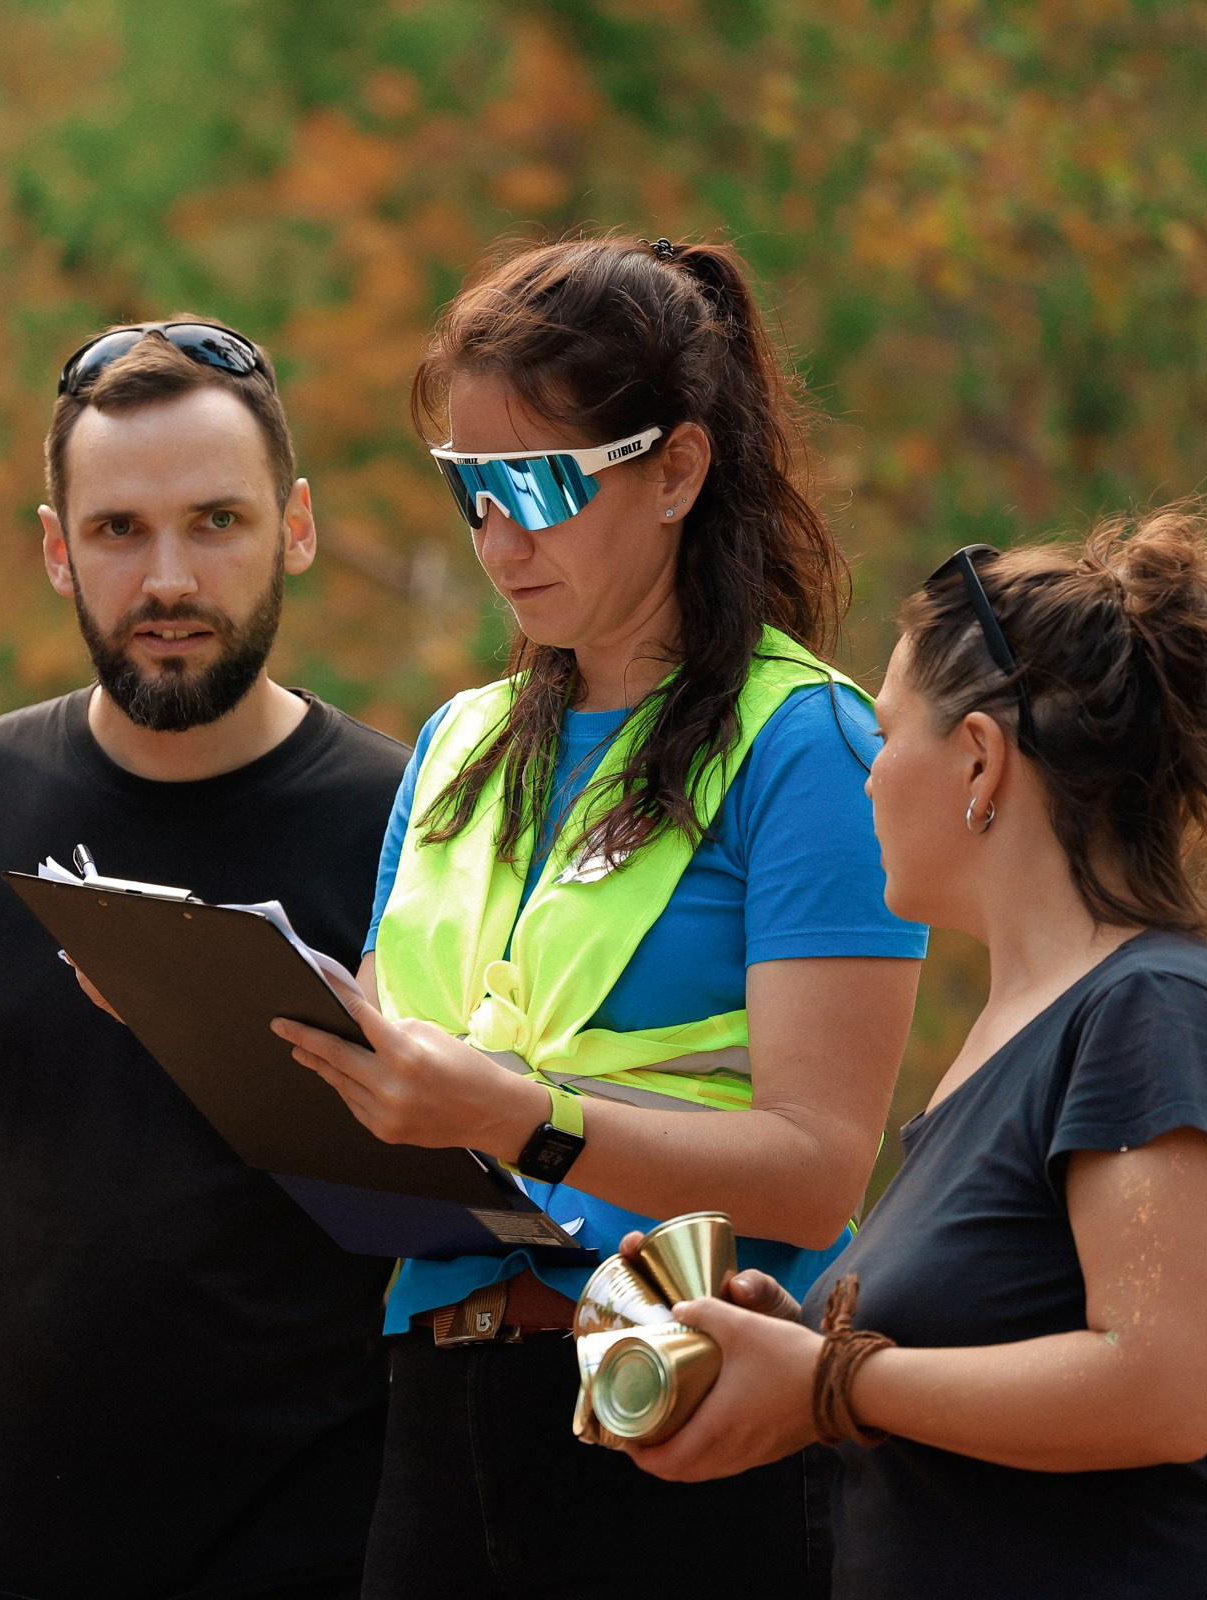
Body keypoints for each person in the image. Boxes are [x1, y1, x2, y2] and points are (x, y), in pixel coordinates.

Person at [271, 236, 926, 1595]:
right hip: (438, 1407)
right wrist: (227, 1022)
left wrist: (523, 1118)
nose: (499, 541)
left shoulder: (806, 746)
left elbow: (818, 1168)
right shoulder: (457, 743)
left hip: (684, 1409)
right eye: (469, 491)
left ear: (678, 468)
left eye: (539, 484)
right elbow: (403, 1090)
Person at [0, 321, 409, 1600]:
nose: (168, 577)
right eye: (120, 530)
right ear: (57, 550)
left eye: (216, 522)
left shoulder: (413, 824)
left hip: (328, 1557)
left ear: (295, 527)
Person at [628, 505, 1207, 1598]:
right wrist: (790, 1341)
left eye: (886, 731)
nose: (865, 773)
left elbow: (1162, 1385)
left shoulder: (1159, 1012)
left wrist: (829, 1377)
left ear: (980, 760)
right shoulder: (1015, 1040)